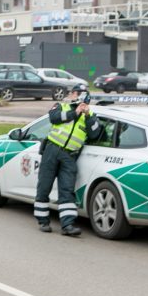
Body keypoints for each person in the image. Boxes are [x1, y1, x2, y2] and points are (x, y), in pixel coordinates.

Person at [33, 84, 101, 236]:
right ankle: (43, 221)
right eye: (73, 93)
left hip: (70, 156)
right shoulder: (61, 106)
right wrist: (74, 112)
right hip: (52, 150)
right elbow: (54, 118)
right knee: (44, 186)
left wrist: (88, 115)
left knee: (67, 190)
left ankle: (67, 225)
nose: (72, 95)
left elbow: (95, 133)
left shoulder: (89, 115)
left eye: (75, 93)